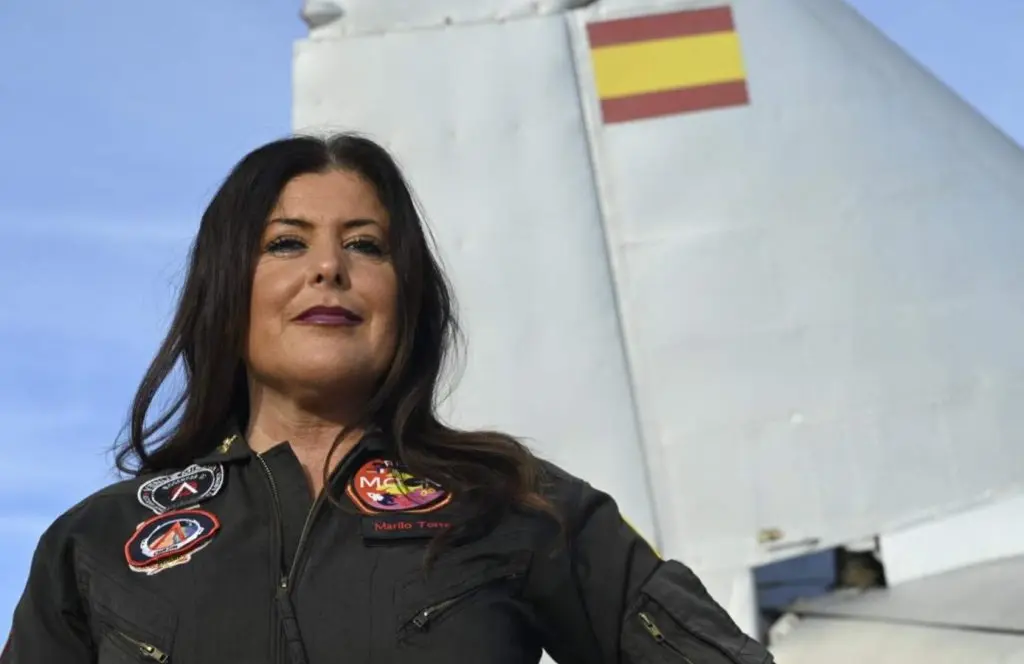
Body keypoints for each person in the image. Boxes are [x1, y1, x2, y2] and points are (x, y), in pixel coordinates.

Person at [1, 134, 775, 664]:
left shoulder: (515, 502)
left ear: (406, 296)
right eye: (286, 242)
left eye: (365, 245)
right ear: (226, 291)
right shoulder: (96, 543)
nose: (329, 268)